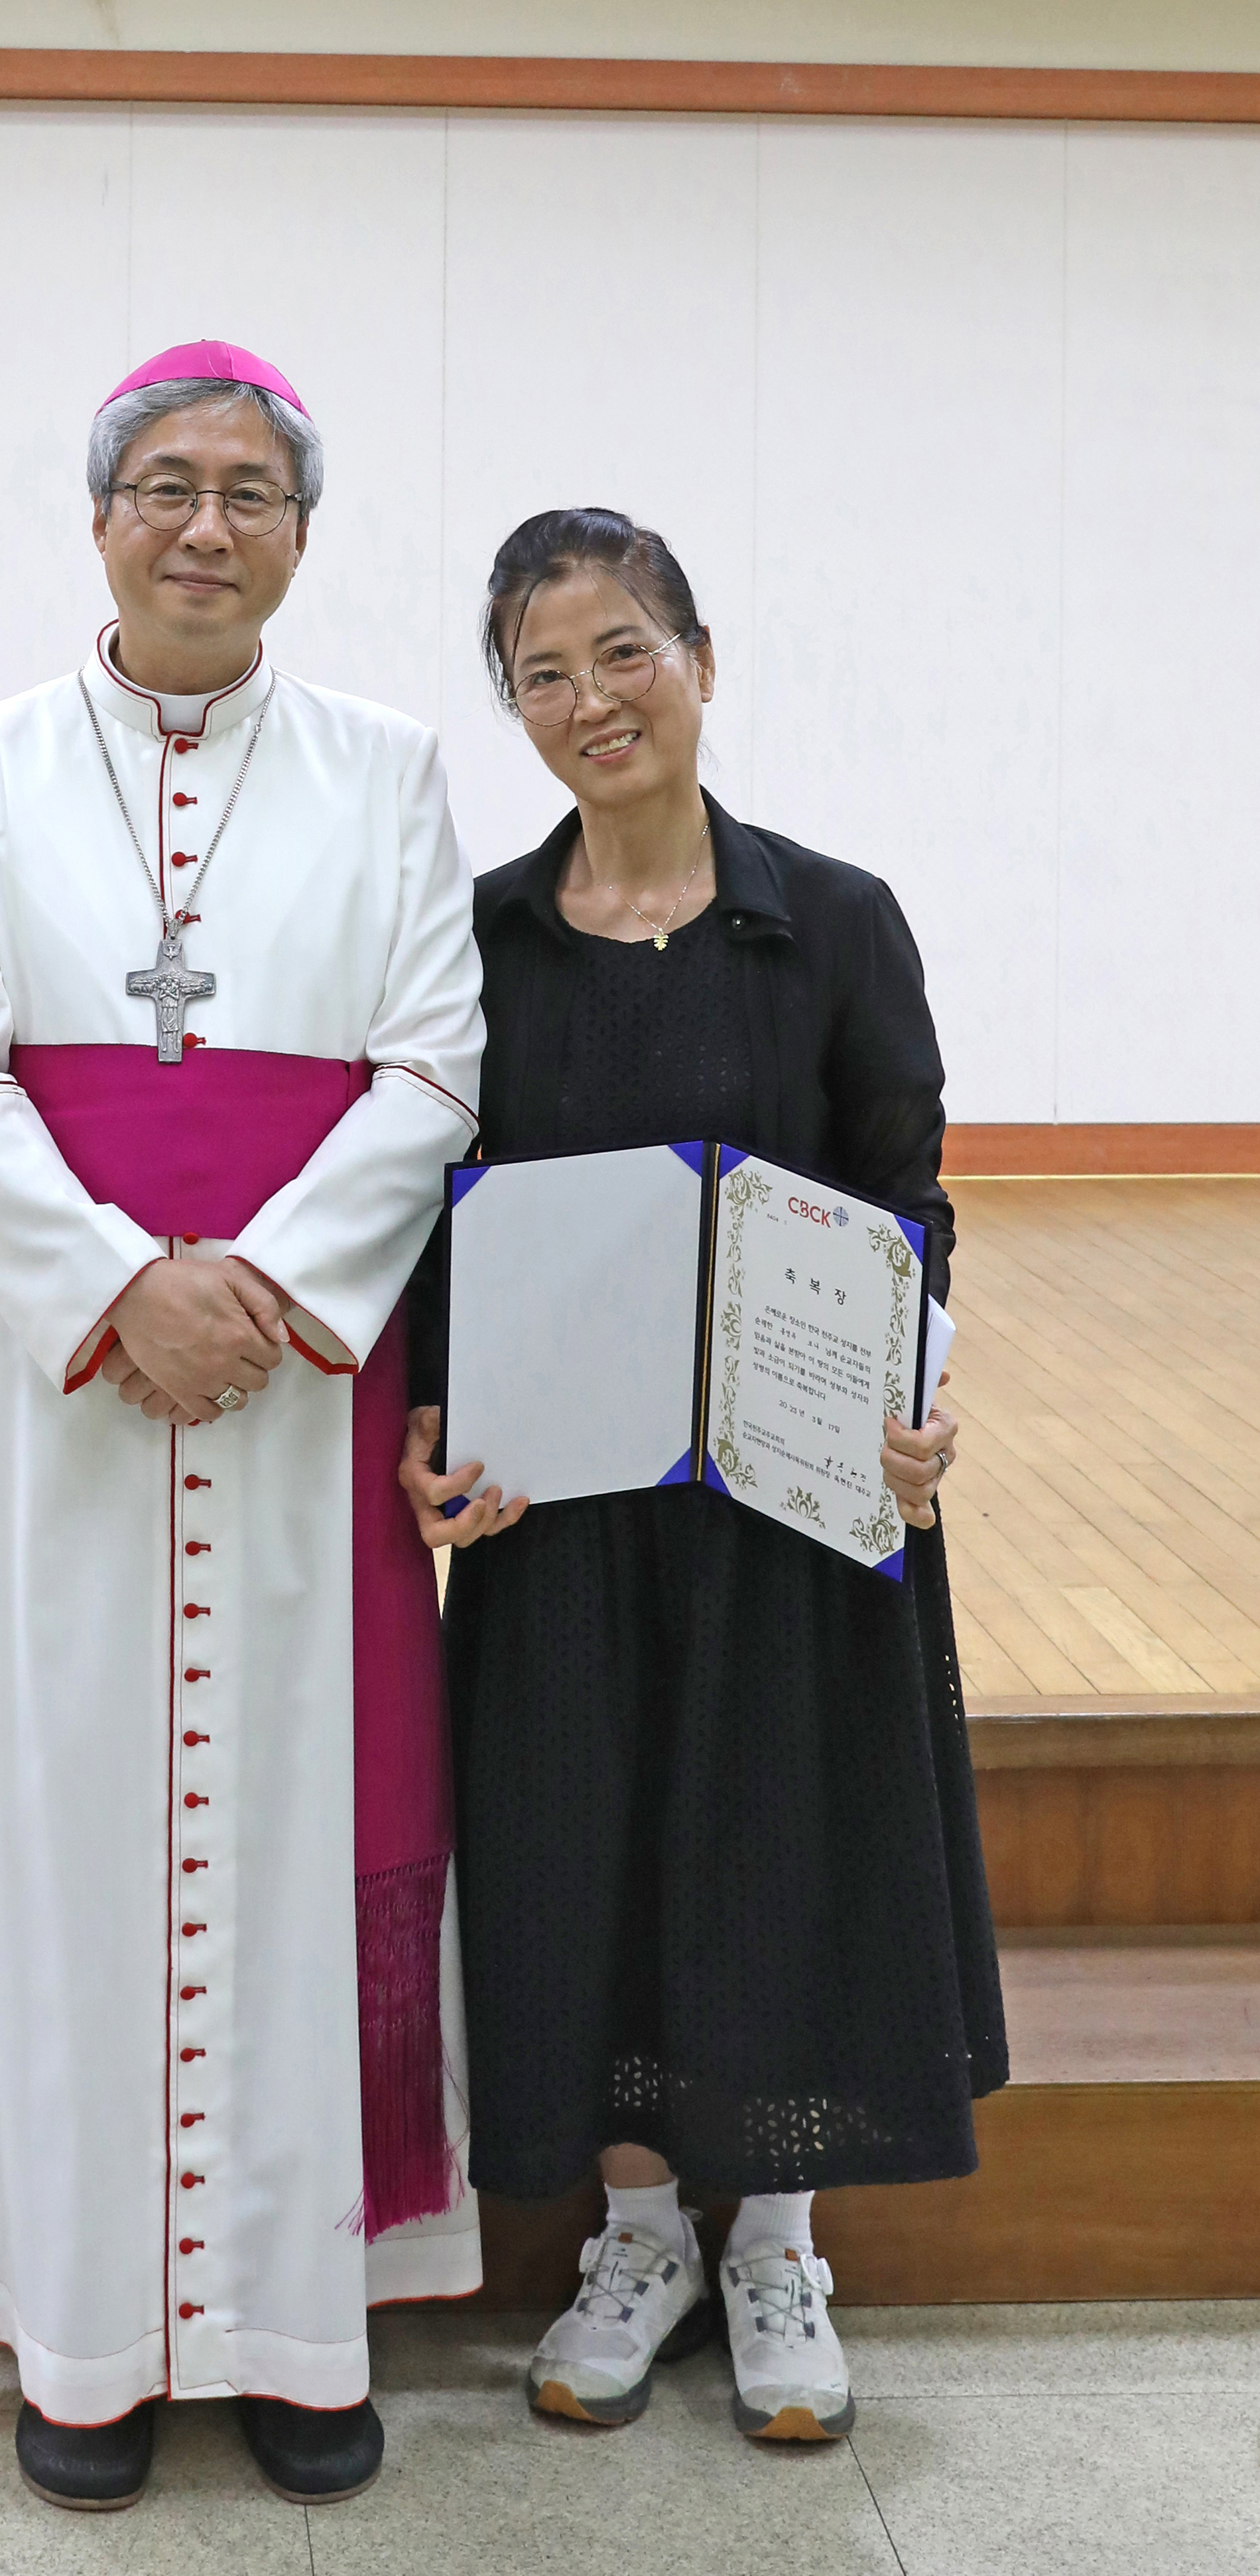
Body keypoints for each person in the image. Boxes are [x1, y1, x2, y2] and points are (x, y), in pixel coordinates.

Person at [0, 341, 485, 2513]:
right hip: (70, 1388)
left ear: (302, 533)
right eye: (169, 486)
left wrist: (264, 1291)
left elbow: (435, 1065)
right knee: (68, 1827)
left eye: (252, 493)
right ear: (99, 515)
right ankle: (84, 2340)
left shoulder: (385, 770)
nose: (208, 525)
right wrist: (122, 1290)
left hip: (294, 1388)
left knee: (294, 1829)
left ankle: (295, 2334)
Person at [401, 508, 1007, 2445]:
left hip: (792, 1498)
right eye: (544, 674)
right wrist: (432, 1419)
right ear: (514, 710)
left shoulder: (834, 921)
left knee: (780, 1841)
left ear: (702, 662)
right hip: (563, 1511)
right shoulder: (479, 939)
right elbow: (436, 1221)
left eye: (624, 653)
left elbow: (908, 1198)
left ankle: (779, 2250)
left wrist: (918, 1396)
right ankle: (640, 2236)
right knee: (580, 1840)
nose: (593, 700)